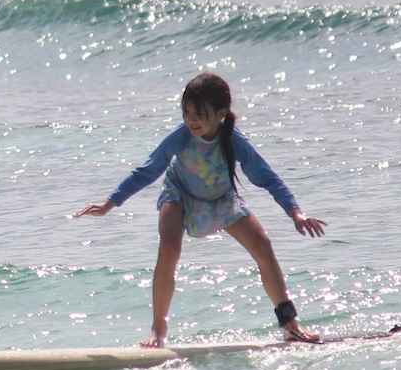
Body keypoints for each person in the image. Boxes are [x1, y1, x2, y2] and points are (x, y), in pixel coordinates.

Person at [75, 72, 326, 347]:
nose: (191, 119)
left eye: (199, 113)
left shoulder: (234, 141)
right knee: (169, 249)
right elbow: (148, 170)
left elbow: (265, 176)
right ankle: (158, 329)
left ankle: (289, 325)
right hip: (179, 195)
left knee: (263, 246)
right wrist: (110, 203)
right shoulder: (180, 138)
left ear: (221, 113)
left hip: (221, 199)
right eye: (186, 112)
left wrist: (295, 212)